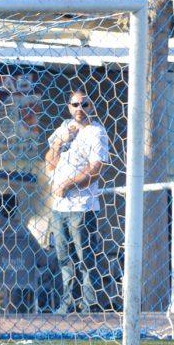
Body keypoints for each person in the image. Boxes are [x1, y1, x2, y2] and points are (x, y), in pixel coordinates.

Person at [45, 90, 110, 314]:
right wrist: (59, 143)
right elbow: (49, 162)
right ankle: (68, 304)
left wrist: (68, 185)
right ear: (69, 107)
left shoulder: (96, 132)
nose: (80, 108)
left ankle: (90, 304)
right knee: (64, 258)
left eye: (85, 104)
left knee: (85, 258)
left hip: (82, 206)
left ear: (92, 107)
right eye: (75, 104)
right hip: (59, 207)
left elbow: (96, 170)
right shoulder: (64, 128)